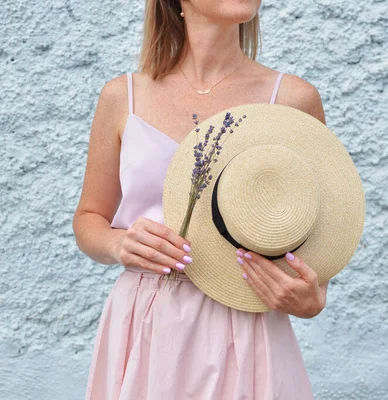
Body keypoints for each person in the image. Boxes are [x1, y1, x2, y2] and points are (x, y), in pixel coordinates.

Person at [71, 1, 329, 398]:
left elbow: (318, 245)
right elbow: (89, 217)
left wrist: (311, 298)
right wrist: (118, 243)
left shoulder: (294, 100)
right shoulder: (122, 97)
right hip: (146, 324)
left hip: (247, 327)